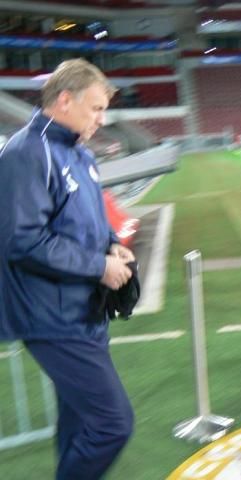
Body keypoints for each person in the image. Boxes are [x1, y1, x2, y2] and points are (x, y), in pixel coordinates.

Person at [0, 58, 135, 479]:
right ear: (64, 100)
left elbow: (89, 221)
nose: (102, 118)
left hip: (83, 310)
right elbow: (21, 239)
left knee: (79, 420)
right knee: (113, 423)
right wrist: (98, 266)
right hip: (51, 317)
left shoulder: (77, 151)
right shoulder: (25, 153)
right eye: (95, 108)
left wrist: (112, 246)